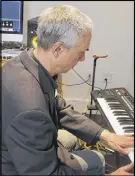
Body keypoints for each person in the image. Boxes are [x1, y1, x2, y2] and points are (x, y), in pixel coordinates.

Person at [2, 5, 134, 175]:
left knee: (72, 140)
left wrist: (104, 134)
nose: (83, 58)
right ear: (58, 48)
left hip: (25, 147)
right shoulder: (30, 109)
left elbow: (59, 107)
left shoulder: (24, 61)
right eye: (81, 51)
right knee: (97, 159)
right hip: (17, 167)